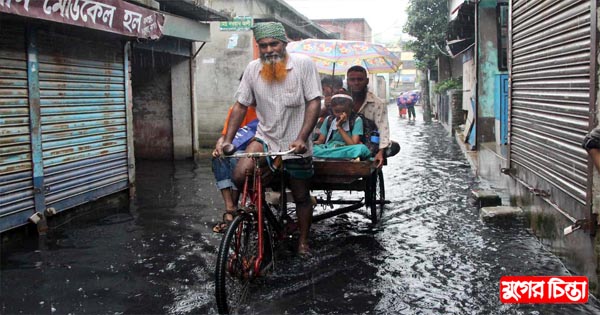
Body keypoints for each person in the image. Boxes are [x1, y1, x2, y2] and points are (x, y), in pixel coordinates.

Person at [218, 22, 322, 256]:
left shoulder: (303, 64)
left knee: (301, 196)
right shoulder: (253, 69)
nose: (268, 50)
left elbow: (314, 102)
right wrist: (227, 140)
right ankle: (257, 214)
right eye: (263, 45)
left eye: (273, 44)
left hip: (296, 141)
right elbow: (240, 105)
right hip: (265, 137)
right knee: (239, 174)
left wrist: (302, 137)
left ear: (284, 43)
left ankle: (303, 241)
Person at [211, 106, 257, 233]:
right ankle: (229, 207)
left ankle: (233, 208)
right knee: (218, 158)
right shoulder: (236, 109)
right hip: (237, 148)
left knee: (233, 160)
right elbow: (225, 135)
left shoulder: (266, 108)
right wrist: (219, 145)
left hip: (255, 150)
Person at [346, 65, 391, 168]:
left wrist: (381, 152)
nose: (356, 83)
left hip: (369, 144)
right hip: (345, 143)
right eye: (352, 80)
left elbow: (383, 129)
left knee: (394, 147)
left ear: (366, 81)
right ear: (347, 82)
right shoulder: (340, 101)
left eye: (360, 79)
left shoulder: (378, 103)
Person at [313, 91, 371, 160]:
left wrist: (340, 127)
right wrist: (312, 143)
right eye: (337, 111)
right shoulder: (329, 119)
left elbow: (353, 144)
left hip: (347, 148)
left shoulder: (356, 120)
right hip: (330, 148)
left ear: (351, 109)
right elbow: (321, 140)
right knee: (313, 149)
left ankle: (330, 155)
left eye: (344, 111)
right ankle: (333, 154)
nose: (340, 114)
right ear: (332, 109)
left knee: (361, 149)